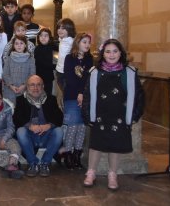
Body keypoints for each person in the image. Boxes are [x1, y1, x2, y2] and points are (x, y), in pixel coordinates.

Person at [82, 39, 144, 190]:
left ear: (121, 53)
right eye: (108, 51)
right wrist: (87, 114)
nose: (111, 54)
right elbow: (88, 95)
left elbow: (139, 96)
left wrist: (134, 115)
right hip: (99, 115)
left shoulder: (129, 72)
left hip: (120, 116)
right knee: (96, 144)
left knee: (115, 146)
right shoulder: (95, 72)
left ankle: (112, 174)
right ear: (103, 54)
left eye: (115, 51)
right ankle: (91, 172)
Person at [13, 75, 63, 177]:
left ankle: (45, 163)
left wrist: (49, 125)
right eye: (32, 85)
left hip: (46, 135)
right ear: (27, 87)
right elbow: (16, 119)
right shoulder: (20, 100)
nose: (35, 88)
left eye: (38, 85)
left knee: (59, 132)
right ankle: (33, 163)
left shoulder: (51, 99)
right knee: (20, 131)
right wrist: (29, 126)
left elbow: (59, 118)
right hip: (30, 136)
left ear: (43, 86)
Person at [62, 33, 93, 170]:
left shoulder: (89, 59)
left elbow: (88, 78)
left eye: (89, 43)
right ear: (77, 43)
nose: (87, 45)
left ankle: (77, 156)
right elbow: (69, 78)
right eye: (84, 42)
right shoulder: (69, 58)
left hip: (85, 96)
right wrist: (78, 93)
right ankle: (68, 156)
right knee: (72, 126)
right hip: (71, 96)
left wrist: (82, 93)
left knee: (82, 127)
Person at [2, 36, 36, 104]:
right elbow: (5, 74)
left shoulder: (31, 59)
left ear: (25, 45)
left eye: (21, 43)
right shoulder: (9, 58)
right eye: (16, 44)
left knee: (23, 112)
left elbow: (32, 74)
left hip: (25, 89)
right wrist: (11, 85)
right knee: (11, 111)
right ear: (13, 46)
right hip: (10, 89)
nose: (19, 46)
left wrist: (24, 85)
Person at [55, 18, 76, 93]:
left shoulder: (71, 41)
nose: (60, 30)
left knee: (66, 92)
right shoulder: (62, 39)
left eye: (63, 28)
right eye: (59, 28)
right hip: (59, 70)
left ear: (69, 29)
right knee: (62, 92)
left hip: (66, 72)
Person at [34, 28, 55, 96]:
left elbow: (60, 46)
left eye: (46, 36)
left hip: (49, 78)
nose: (43, 37)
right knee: (39, 95)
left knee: (48, 95)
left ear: (49, 38)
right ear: (38, 37)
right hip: (39, 77)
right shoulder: (37, 49)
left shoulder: (50, 46)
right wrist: (56, 66)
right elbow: (42, 64)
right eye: (41, 35)